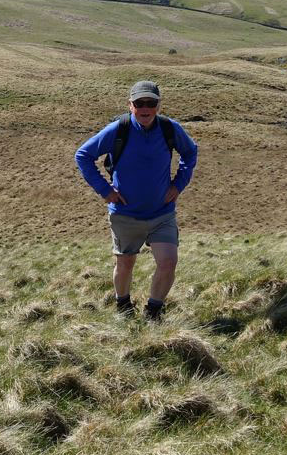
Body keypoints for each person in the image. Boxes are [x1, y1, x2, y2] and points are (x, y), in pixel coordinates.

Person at [75, 81, 198, 321]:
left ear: (158, 106)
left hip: (162, 213)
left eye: (151, 103)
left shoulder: (169, 128)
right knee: (125, 264)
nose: (145, 108)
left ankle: (153, 313)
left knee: (168, 262)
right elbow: (83, 155)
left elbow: (190, 152)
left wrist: (179, 184)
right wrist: (105, 191)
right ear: (130, 105)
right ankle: (123, 306)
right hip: (125, 213)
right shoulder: (117, 130)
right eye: (139, 103)